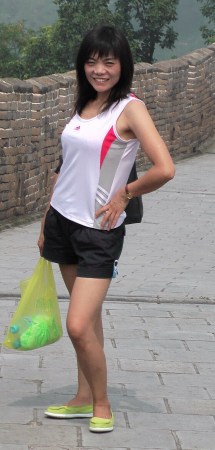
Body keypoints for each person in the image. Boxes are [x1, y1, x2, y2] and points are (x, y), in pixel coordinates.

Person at [38, 25, 175, 433]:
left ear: (122, 66)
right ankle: (82, 397)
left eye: (109, 62)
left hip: (98, 230)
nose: (100, 69)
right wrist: (46, 219)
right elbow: (64, 168)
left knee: (78, 325)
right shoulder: (85, 105)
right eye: (92, 61)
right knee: (90, 322)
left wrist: (124, 195)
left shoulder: (129, 108)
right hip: (62, 222)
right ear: (83, 65)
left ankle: (101, 402)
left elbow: (165, 168)